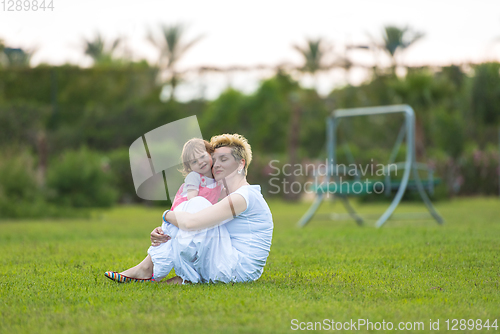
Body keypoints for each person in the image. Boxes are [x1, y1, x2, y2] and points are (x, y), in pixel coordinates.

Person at [104, 133, 273, 284]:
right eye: (214, 160)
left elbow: (191, 223)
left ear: (241, 164)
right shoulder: (229, 196)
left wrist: (166, 216)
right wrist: (165, 230)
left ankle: (148, 269)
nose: (217, 165)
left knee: (197, 203)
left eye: (224, 159)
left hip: (237, 270)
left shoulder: (243, 196)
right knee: (195, 208)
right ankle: (170, 273)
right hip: (228, 262)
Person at [147, 138, 223, 282]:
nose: (200, 162)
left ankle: (183, 275)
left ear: (210, 154)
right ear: (189, 167)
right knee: (166, 246)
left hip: (196, 219)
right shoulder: (194, 177)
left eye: (202, 156)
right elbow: (192, 201)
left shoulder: (217, 180)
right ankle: (154, 273)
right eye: (194, 162)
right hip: (181, 216)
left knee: (187, 247)